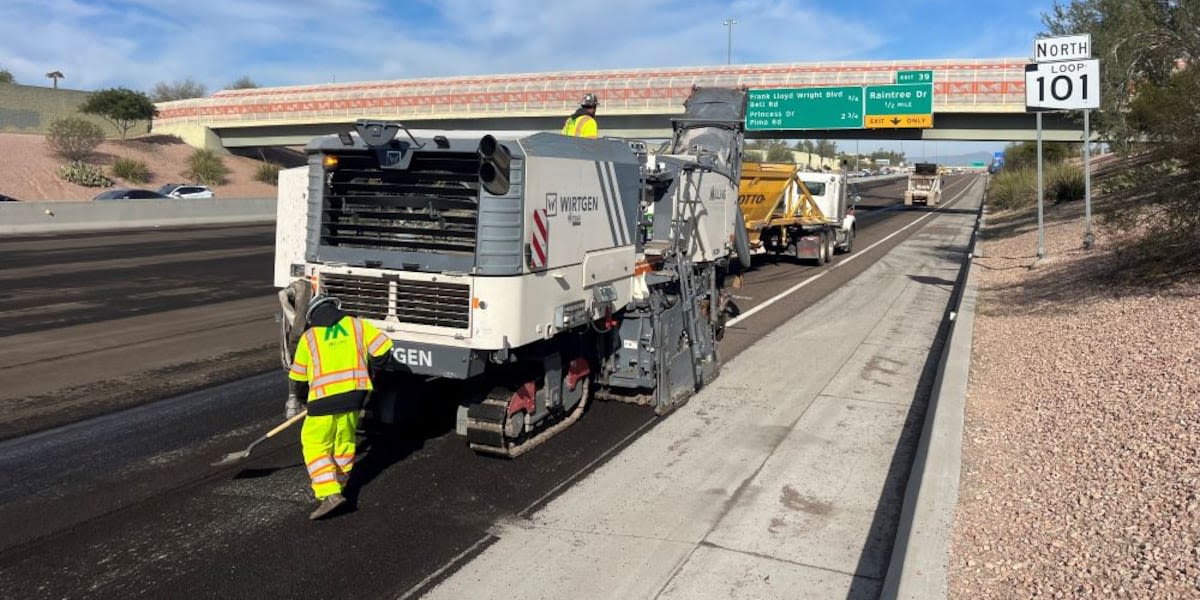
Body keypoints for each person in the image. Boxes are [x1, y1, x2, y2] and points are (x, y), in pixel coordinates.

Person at [285, 294, 394, 520]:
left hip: (323, 400)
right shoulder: (358, 325)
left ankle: (329, 493)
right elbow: (384, 350)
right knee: (344, 442)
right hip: (355, 397)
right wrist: (373, 371)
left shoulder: (310, 337)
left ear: (312, 316)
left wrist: (304, 399)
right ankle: (341, 486)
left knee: (315, 443)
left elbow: (298, 376)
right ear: (336, 307)